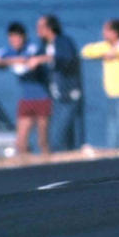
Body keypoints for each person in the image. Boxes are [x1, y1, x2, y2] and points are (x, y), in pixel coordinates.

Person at [0, 22, 52, 155]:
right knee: (20, 143)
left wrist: (2, 62)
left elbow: (26, 60)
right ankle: (29, 168)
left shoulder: (33, 47)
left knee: (42, 141)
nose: (14, 41)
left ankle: (48, 166)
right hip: (26, 100)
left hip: (42, 99)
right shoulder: (8, 51)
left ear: (24, 37)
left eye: (17, 38)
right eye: (11, 38)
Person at [81, 19, 119, 148]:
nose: (103, 33)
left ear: (115, 32)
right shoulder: (105, 46)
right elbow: (86, 52)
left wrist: (112, 53)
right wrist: (106, 53)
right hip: (111, 92)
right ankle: (113, 149)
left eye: (106, 30)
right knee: (112, 125)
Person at [35, 15, 85, 151]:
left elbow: (67, 59)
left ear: (50, 28)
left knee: (61, 131)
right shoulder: (45, 45)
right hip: (56, 94)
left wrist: (43, 59)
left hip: (69, 92)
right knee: (65, 132)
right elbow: (33, 60)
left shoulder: (63, 42)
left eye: (40, 26)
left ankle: (65, 157)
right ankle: (69, 157)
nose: (37, 30)